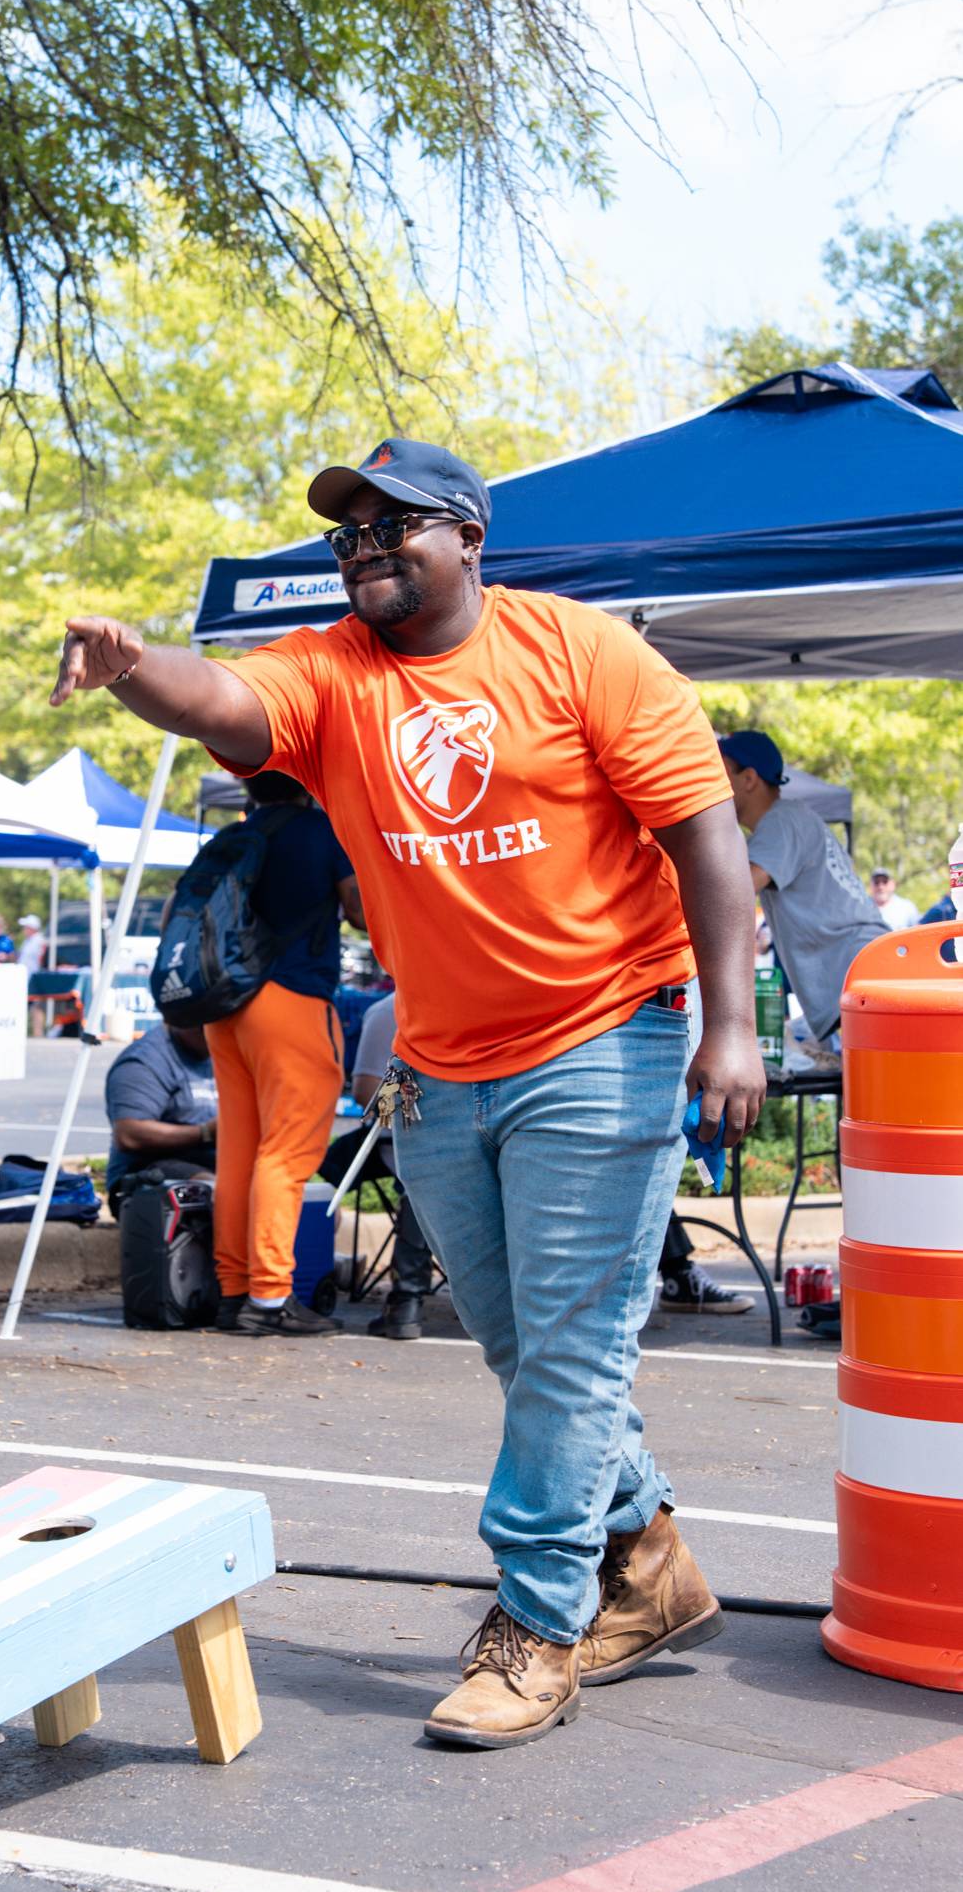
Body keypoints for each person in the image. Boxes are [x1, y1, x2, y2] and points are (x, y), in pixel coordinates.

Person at [51, 434, 764, 1749]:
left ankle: (537, 1619)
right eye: (350, 535)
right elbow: (227, 701)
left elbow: (704, 835)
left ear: (469, 538)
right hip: (440, 1062)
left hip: (606, 1034)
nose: (366, 551)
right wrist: (137, 667)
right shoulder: (333, 671)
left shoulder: (584, 655)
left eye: (395, 528)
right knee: (520, 1345)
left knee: (572, 1344)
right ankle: (649, 1562)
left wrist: (732, 1027)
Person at [200, 772, 364, 1338]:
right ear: (307, 783)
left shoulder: (230, 837)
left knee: (238, 1153)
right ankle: (269, 1297)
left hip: (225, 1006)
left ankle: (233, 1290)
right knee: (286, 1153)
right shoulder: (320, 832)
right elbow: (359, 910)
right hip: (292, 1000)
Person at [719, 730, 885, 1053]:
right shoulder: (793, 818)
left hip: (859, 977)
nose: (712, 786)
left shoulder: (781, 821)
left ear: (749, 778)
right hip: (865, 972)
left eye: (720, 774)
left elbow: (733, 894)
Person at [318, 990, 438, 1339]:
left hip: (476, 1135)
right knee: (428, 1168)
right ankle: (406, 1298)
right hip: (404, 1138)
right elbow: (366, 1092)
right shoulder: (388, 1010)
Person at [103, 1021, 218, 1218]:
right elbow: (129, 1135)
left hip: (214, 1162)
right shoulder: (144, 1061)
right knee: (212, 1188)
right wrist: (206, 1132)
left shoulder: (226, 1052)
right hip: (149, 1173)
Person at [868, 867, 920, 932]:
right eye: (876, 882)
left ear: (893, 884)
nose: (881, 887)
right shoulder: (862, 908)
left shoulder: (907, 907)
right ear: (870, 886)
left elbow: (918, 931)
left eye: (885, 882)